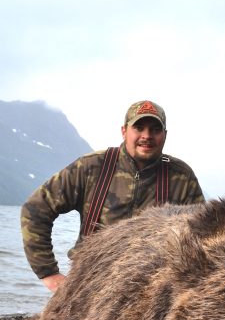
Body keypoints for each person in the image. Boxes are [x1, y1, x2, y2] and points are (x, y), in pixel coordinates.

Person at [21, 100, 204, 291]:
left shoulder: (181, 176)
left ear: (165, 135)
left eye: (155, 129)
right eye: (139, 127)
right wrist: (49, 273)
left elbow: (203, 235)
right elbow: (35, 209)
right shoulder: (91, 166)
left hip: (153, 290)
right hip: (90, 286)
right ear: (124, 131)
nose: (147, 136)